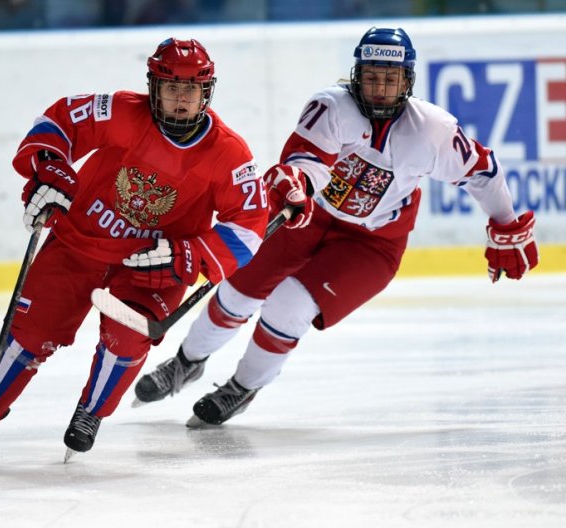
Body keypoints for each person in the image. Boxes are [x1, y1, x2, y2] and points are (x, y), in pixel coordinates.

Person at [131, 27, 539, 427]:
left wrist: (506, 221)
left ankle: (241, 386)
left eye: (391, 78)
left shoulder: (433, 131)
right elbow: (309, 159)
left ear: (408, 81)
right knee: (239, 287)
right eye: (372, 77)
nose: (380, 88)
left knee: (289, 305)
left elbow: (483, 172)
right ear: (357, 75)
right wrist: (297, 183)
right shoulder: (331, 106)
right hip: (312, 216)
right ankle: (187, 363)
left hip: (373, 243)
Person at [0, 37, 270, 462]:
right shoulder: (120, 110)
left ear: (208, 91)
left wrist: (190, 256)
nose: (182, 99)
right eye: (171, 88)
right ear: (153, 87)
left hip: (152, 266)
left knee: (128, 336)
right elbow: (57, 124)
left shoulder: (229, 152)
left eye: (192, 89)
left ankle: (91, 411)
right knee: (29, 334)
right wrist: (48, 168)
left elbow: (250, 223)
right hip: (79, 243)